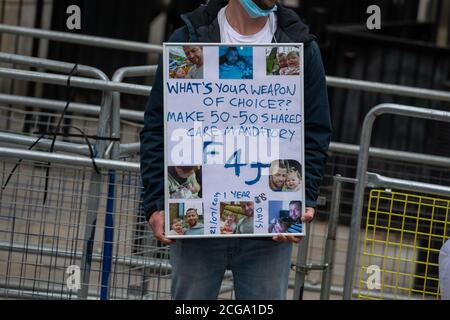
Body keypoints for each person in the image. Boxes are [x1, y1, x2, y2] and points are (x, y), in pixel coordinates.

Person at [141, 0, 332, 300]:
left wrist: (302, 198)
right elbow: (157, 126)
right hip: (197, 223)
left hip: (270, 227)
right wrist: (155, 202)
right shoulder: (189, 40)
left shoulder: (301, 47)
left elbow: (315, 131)